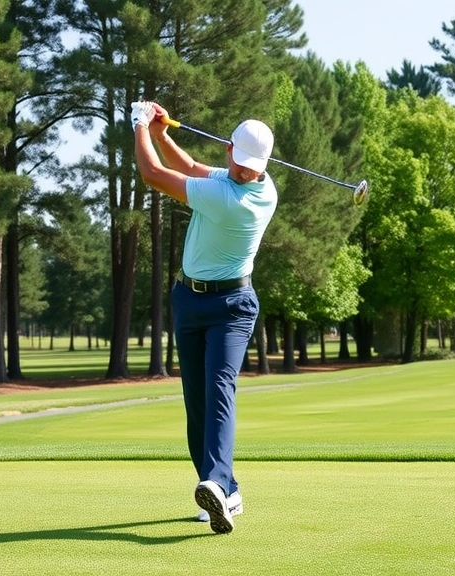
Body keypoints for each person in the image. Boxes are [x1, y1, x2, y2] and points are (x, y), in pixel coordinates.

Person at [131, 101, 278, 534]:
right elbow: (193, 165)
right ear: (230, 150)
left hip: (232, 308)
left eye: (254, 167)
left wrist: (139, 125)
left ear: (263, 166)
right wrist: (161, 133)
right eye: (242, 163)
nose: (246, 172)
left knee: (218, 389)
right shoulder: (238, 181)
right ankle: (225, 491)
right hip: (190, 299)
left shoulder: (239, 199)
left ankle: (213, 481)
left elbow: (153, 175)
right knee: (196, 401)